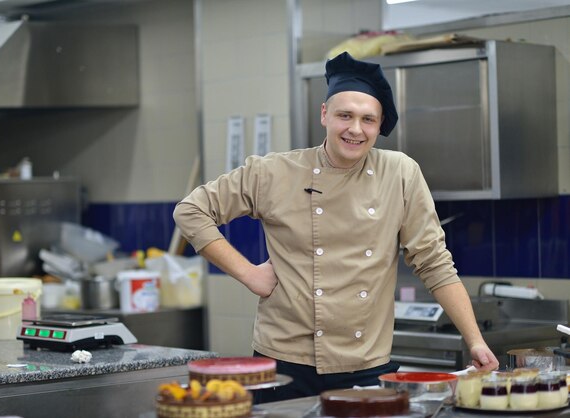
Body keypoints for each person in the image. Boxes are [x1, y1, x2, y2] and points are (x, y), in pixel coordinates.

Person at [173, 51, 499, 403]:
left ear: (379, 125)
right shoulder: (273, 172)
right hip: (283, 362)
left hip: (367, 364)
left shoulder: (400, 173)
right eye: (345, 115)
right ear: (325, 114)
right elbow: (191, 211)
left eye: (368, 120)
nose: (355, 129)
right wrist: (249, 274)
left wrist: (475, 340)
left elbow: (434, 263)